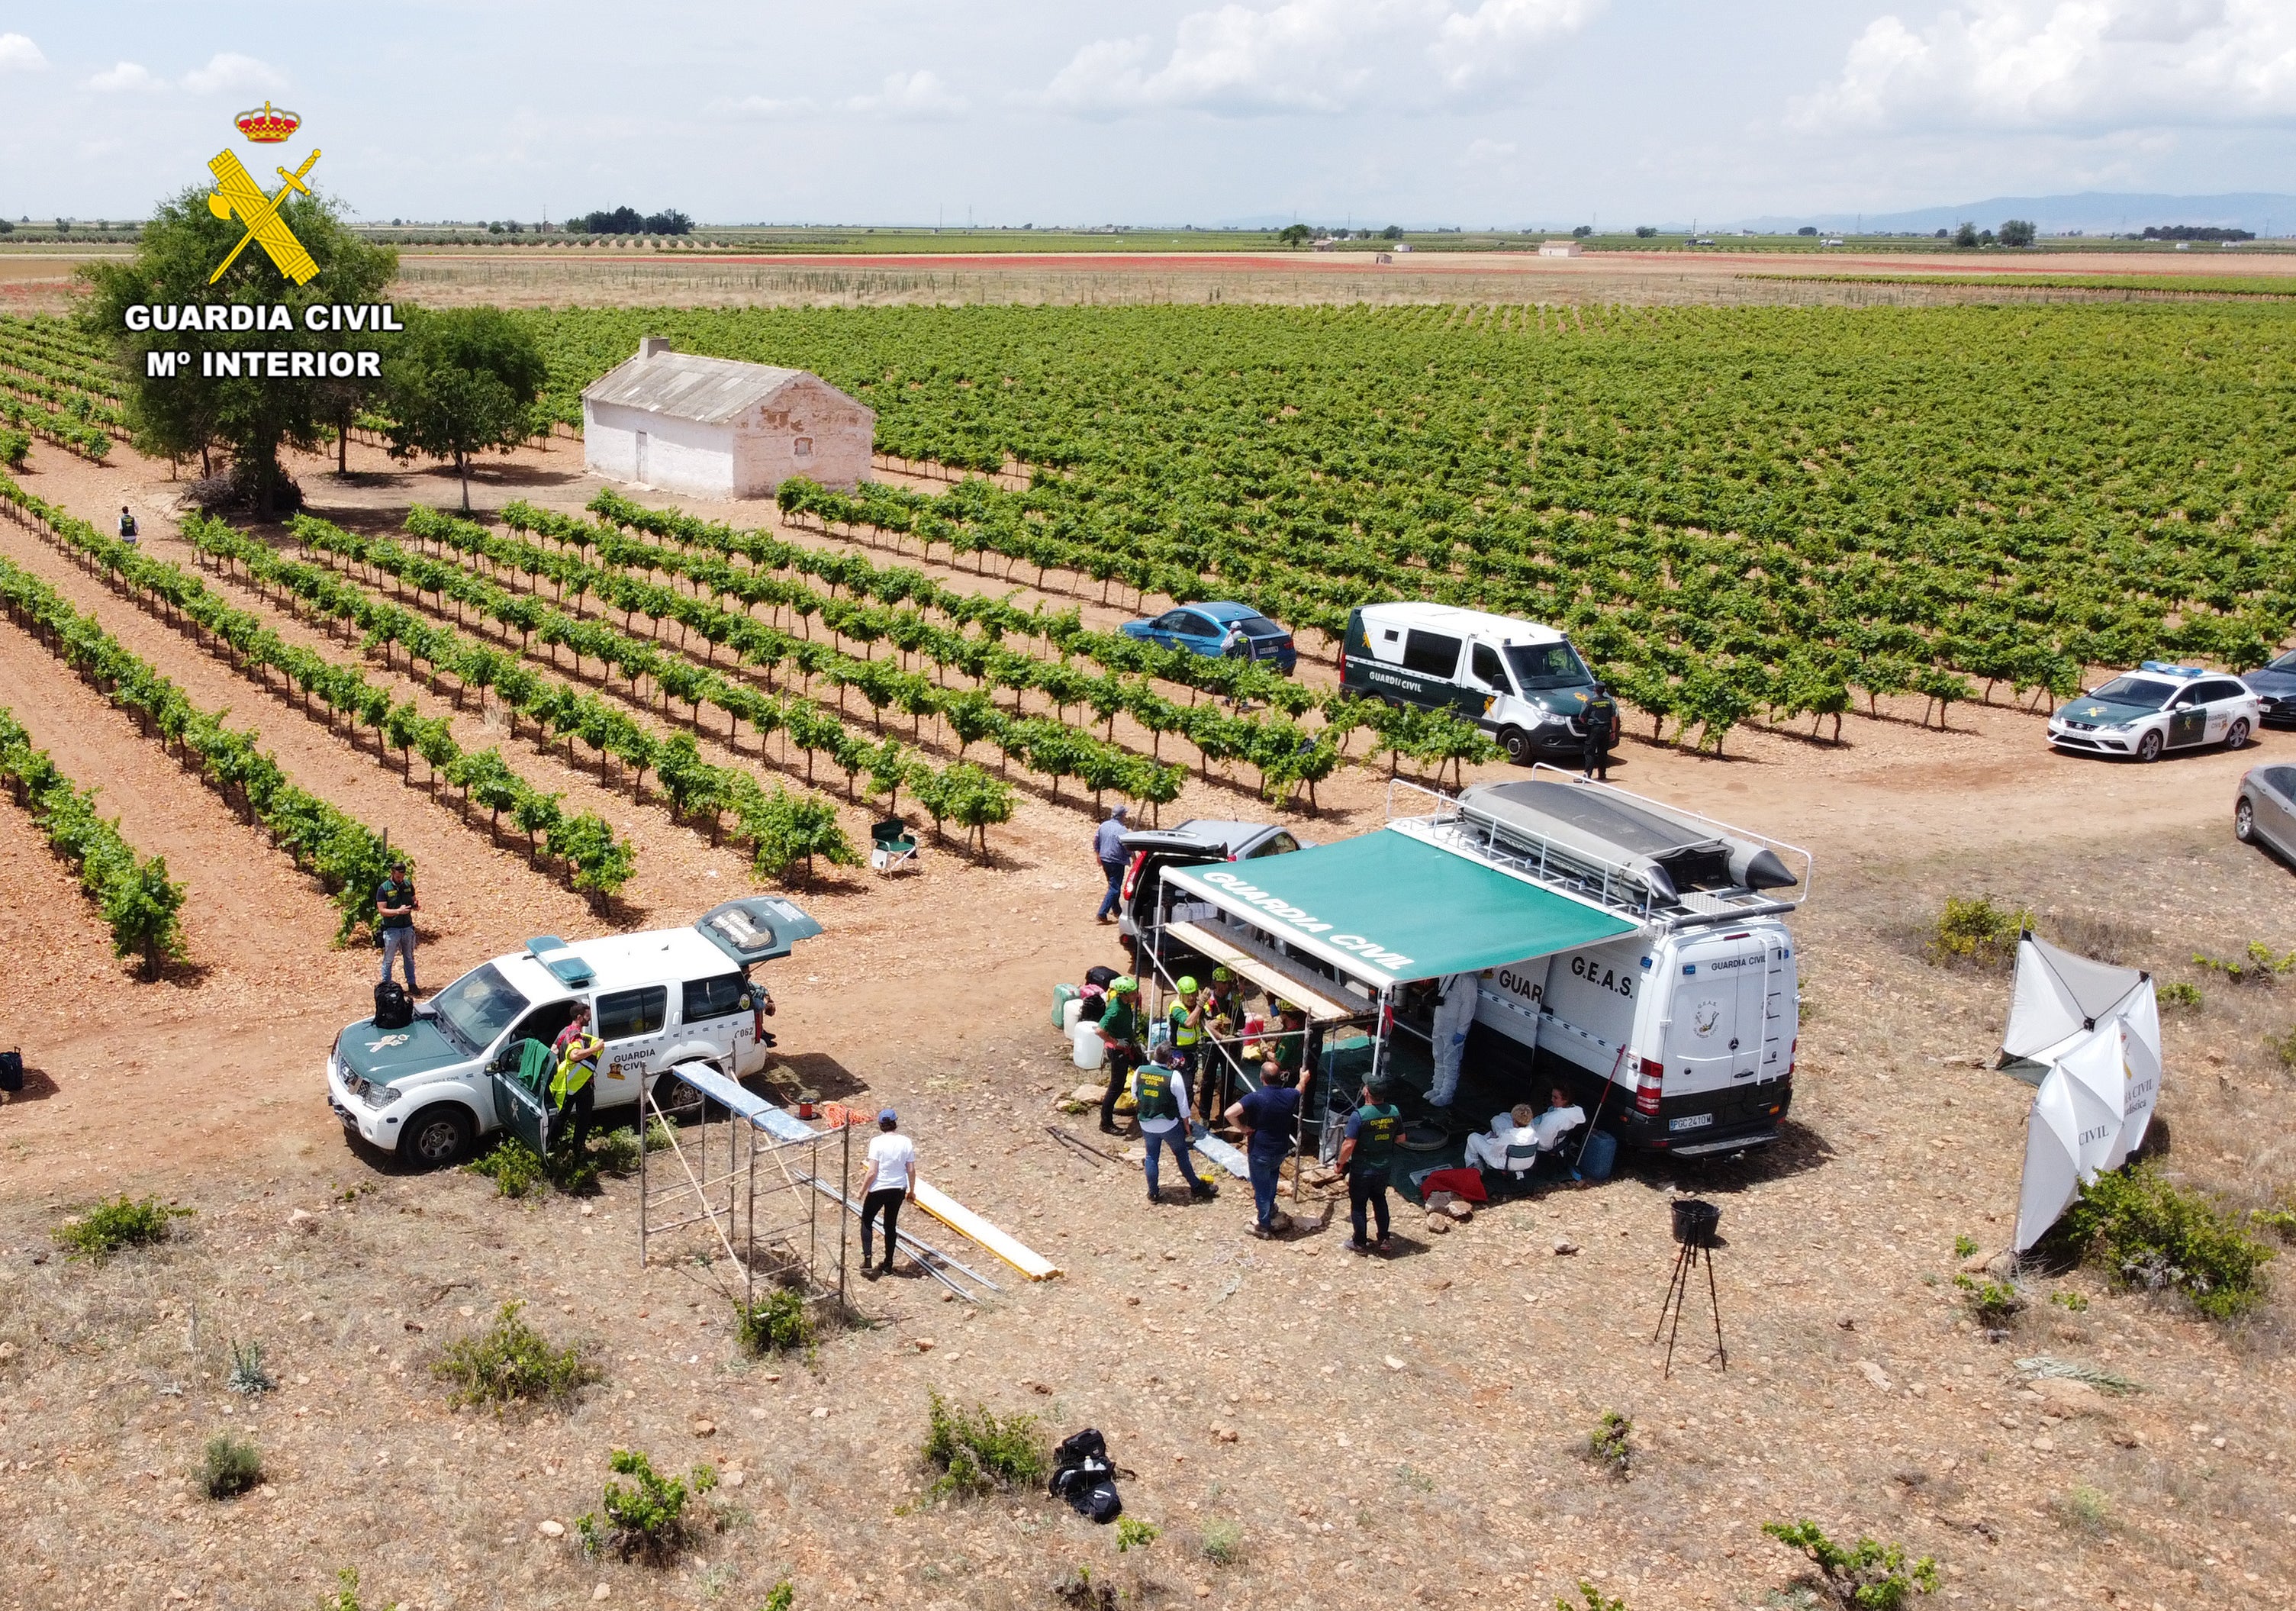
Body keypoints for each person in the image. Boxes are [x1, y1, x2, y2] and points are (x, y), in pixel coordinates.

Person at [1227, 1058, 1301, 1238]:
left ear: (1262, 1078)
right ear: (1280, 1077)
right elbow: (1300, 1089)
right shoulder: (1290, 1095)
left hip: (1260, 1150)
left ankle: (1264, 1225)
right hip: (1280, 1150)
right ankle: (1271, 1208)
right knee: (1272, 1180)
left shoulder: (1256, 1097)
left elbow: (1229, 1113)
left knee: (1260, 1188)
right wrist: (1304, 1078)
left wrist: (1243, 1129)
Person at [1135, 1045, 1216, 1206]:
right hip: (1168, 1124)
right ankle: (1196, 1185)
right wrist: (1187, 1126)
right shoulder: (1174, 1076)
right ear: (1170, 1060)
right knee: (1181, 1153)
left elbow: (1135, 1094)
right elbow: (1184, 1106)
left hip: (1147, 1124)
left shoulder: (1140, 1071)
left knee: (1151, 1156)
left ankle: (1153, 1193)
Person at [1337, 1078, 1402, 1254]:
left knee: (1358, 1205)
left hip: (1363, 1168)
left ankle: (1359, 1242)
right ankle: (1384, 1239)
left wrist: (1340, 1163)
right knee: (1380, 1199)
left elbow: (1348, 1145)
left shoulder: (1359, 1115)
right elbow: (1401, 1138)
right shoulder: (1394, 1111)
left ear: (1367, 1092)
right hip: (1384, 1166)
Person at [858, 1109, 918, 1279]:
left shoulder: (876, 1142)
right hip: (898, 1188)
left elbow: (872, 1172)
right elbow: (911, 1170)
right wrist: (912, 1191)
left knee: (867, 1220)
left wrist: (862, 1190)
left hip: (879, 1188)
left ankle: (868, 1259)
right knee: (890, 1225)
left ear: (880, 1125)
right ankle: (888, 1264)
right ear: (895, 1123)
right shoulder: (906, 1142)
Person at [549, 1004, 603, 1152]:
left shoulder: (563, 1032)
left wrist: (561, 1068)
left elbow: (553, 1051)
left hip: (566, 1083)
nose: (589, 1018)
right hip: (582, 1084)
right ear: (579, 1017)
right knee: (583, 1118)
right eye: (587, 1016)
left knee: (561, 1115)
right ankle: (578, 1148)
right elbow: (575, 1055)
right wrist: (595, 1049)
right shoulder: (576, 1036)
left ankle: (551, 1145)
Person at [1096, 975, 1144, 1134]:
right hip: (1118, 1051)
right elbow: (1100, 1030)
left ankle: (1145, 1106)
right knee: (1116, 1087)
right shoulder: (1115, 1010)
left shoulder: (1124, 1004)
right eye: (1132, 993)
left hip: (1128, 1046)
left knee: (1146, 1069)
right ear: (1123, 995)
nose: (1135, 995)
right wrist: (1115, 1042)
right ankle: (1106, 1123)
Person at [1426, 971, 1477, 1118]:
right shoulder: (1447, 973)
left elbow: (1468, 1007)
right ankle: (1437, 1087)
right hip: (1441, 1022)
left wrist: (1462, 1030)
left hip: (1454, 1027)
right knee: (1438, 1056)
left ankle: (1446, 1093)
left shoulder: (1467, 980)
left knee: (1451, 1060)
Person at [376, 859, 420, 994]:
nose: (400, 879)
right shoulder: (384, 888)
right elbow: (382, 910)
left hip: (407, 927)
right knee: (389, 959)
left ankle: (412, 984)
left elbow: (413, 900)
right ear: (393, 873)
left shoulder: (408, 885)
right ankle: (386, 987)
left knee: (409, 957)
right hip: (391, 929)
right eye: (398, 876)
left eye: (402, 876)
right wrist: (397, 911)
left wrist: (416, 905)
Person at [1464, 1103, 1540, 1171]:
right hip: (1528, 1163)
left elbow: (1494, 1151)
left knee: (1473, 1137)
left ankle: (1475, 1169)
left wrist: (1491, 1140)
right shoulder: (1533, 1133)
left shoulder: (1508, 1136)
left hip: (1505, 1163)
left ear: (1515, 1122)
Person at [1093, 804, 1131, 923]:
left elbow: (1096, 841)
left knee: (1112, 885)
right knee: (1115, 888)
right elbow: (1126, 846)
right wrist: (1133, 856)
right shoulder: (1122, 830)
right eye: (1125, 814)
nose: (1126, 816)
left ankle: (1117, 910)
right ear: (1122, 815)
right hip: (1116, 861)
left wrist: (1098, 854)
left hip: (1105, 859)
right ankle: (1102, 913)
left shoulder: (1103, 826)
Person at [1531, 1086, 1589, 1153]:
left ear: (1566, 1100)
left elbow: (1542, 1142)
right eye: (1552, 1096)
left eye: (1555, 1098)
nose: (1552, 1099)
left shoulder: (1554, 1119)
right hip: (1558, 1142)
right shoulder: (1573, 1112)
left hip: (1540, 1147)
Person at [1580, 683, 1619, 781]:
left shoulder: (1589, 702)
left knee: (1590, 752)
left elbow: (1582, 717)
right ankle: (1602, 775)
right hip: (1606, 729)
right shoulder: (1610, 702)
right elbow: (1614, 718)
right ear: (1604, 690)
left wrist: (1587, 724)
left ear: (1595, 690)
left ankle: (1587, 775)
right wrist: (1613, 731)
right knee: (1603, 752)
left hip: (1593, 729)